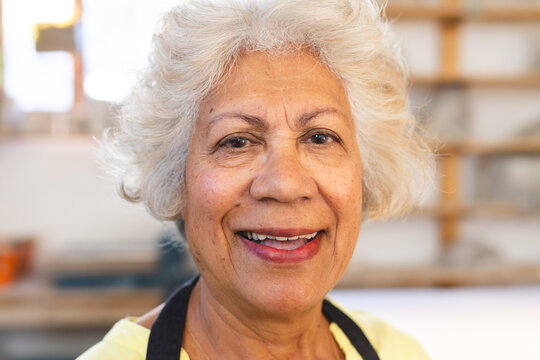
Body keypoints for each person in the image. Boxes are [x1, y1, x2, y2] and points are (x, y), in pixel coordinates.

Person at [78, 0, 434, 359]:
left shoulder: (399, 352)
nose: (284, 185)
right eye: (237, 141)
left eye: (320, 137)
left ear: (365, 174)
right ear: (176, 179)